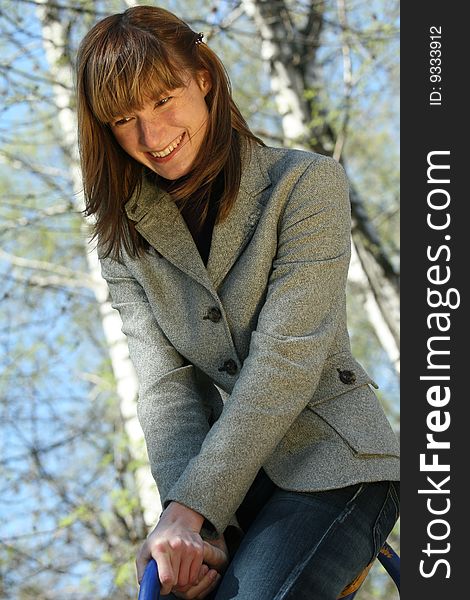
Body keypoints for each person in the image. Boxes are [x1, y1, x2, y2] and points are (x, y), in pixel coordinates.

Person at [76, 6, 400, 599]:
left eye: (163, 100)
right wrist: (194, 524)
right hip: (226, 487)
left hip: (335, 464)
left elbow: (286, 361)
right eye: (124, 119)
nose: (152, 137)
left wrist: (194, 506)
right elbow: (165, 388)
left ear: (203, 78)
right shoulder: (124, 240)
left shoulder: (305, 185)